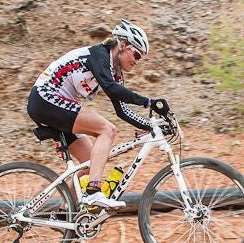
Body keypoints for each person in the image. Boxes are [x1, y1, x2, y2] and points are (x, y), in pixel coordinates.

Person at [26, 19, 169, 209]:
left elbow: (122, 109)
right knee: (107, 130)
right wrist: (148, 102)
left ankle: (65, 212)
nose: (136, 61)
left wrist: (150, 126)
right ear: (123, 45)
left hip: (55, 104)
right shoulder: (99, 55)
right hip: (45, 98)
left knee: (89, 164)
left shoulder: (115, 73)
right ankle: (94, 191)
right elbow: (111, 89)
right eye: (136, 54)